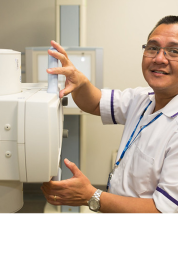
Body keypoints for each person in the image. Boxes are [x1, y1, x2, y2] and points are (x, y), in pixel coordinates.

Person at [41, 16, 178, 214]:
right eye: (153, 48)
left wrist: (91, 196)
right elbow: (96, 102)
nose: (159, 58)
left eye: (174, 51)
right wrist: (78, 80)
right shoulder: (142, 98)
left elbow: (161, 210)